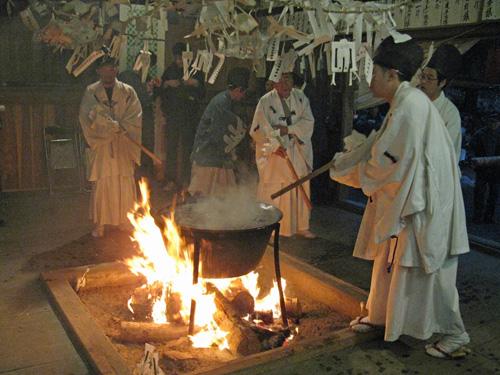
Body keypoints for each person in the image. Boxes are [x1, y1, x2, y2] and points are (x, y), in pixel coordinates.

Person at [330, 36, 470, 359]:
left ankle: (455, 334)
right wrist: (349, 158)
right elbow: (380, 144)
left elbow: (384, 165)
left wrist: (346, 172)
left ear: (392, 75)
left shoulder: (410, 107)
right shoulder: (405, 102)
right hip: (411, 203)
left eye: (374, 73)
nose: (371, 80)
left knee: (431, 272)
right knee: (389, 264)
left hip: (427, 207)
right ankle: (380, 317)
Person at [79, 55, 142, 238]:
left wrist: (122, 127)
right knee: (103, 183)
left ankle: (125, 220)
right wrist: (107, 127)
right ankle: (101, 223)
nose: (110, 71)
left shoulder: (128, 91)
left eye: (113, 68)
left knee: (123, 181)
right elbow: (87, 117)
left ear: (117, 70)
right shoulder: (91, 92)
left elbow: (135, 115)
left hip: (123, 144)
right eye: (106, 68)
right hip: (102, 146)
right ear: (99, 70)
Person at [250, 72, 315, 238]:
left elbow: (308, 122)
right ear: (273, 82)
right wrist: (274, 145)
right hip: (276, 154)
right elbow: (258, 128)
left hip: (297, 150)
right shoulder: (265, 101)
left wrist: (289, 129)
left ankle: (301, 226)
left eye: (288, 78)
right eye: (281, 79)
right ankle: (272, 226)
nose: (285, 83)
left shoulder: (301, 98)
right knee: (276, 185)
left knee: (299, 183)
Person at [188, 67, 250, 197]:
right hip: (208, 157)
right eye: (243, 93)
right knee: (204, 199)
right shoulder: (221, 102)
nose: (243, 96)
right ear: (239, 90)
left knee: (222, 198)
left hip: (214, 157)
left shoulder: (224, 100)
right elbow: (219, 134)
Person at [160, 42, 205, 192]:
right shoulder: (170, 70)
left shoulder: (195, 71)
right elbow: (161, 91)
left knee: (188, 149)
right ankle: (170, 180)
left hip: (189, 116)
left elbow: (203, 92)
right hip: (173, 115)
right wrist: (166, 84)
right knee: (171, 148)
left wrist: (196, 83)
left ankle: (187, 180)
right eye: (177, 57)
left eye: (182, 57)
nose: (179, 60)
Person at [418, 44, 463, 162]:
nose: (423, 81)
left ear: (442, 82)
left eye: (429, 78)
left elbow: (446, 154)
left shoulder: (450, 114)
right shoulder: (413, 102)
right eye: (423, 76)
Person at [118, 52, 159, 177]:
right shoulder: (127, 76)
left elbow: (148, 100)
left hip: (144, 119)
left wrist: (152, 90)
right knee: (134, 150)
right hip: (130, 120)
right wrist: (146, 91)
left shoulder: (146, 79)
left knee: (145, 148)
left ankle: (145, 179)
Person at [469, 112, 500, 224]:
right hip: (482, 169)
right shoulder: (480, 134)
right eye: (491, 121)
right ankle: (478, 216)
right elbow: (472, 148)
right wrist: (472, 159)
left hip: (496, 170)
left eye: (495, 122)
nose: (493, 124)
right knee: (479, 194)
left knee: (494, 194)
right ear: (487, 122)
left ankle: (489, 216)